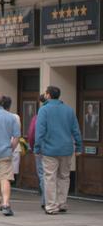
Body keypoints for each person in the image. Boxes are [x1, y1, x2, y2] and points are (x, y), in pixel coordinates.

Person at [35, 86, 83, 215]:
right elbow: (76, 130)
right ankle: (62, 203)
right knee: (64, 176)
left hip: (49, 149)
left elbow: (40, 131)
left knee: (50, 177)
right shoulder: (69, 110)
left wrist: (37, 147)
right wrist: (79, 146)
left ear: (48, 95)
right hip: (66, 149)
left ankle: (51, 206)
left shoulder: (44, 110)